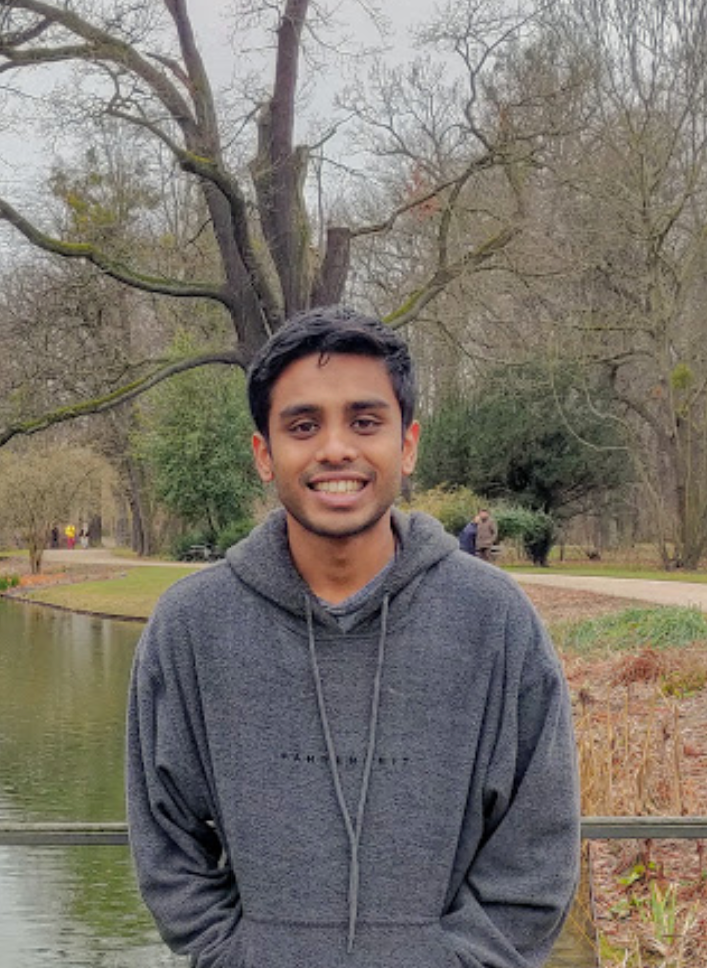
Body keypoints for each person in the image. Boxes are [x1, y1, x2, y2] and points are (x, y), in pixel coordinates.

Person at [126, 307, 579, 968]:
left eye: (365, 422)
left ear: (408, 444)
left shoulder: (497, 621)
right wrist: (238, 955)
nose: (336, 448)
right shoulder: (191, 627)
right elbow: (166, 845)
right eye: (303, 425)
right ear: (263, 454)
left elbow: (537, 851)